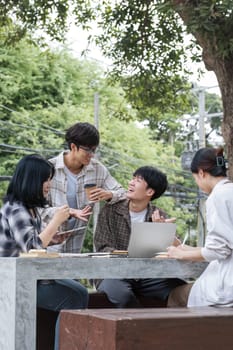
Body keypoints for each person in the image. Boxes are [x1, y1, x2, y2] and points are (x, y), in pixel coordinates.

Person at [0, 154, 89, 349]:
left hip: (31, 277)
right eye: (45, 180)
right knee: (73, 298)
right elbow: (32, 248)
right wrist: (57, 220)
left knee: (81, 291)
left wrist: (53, 238)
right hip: (16, 282)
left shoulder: (30, 209)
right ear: (32, 181)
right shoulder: (16, 209)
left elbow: (29, 244)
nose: (48, 184)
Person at [94, 166, 186, 308]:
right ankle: (143, 328)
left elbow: (178, 247)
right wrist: (129, 256)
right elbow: (102, 247)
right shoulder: (110, 211)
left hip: (147, 275)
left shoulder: (158, 215)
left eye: (138, 180)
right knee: (122, 294)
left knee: (180, 288)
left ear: (150, 191)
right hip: (113, 273)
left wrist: (163, 231)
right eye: (133, 179)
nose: (131, 183)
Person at [41, 121, 126, 253]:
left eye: (94, 150)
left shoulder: (98, 169)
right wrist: (66, 212)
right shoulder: (48, 168)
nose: (92, 154)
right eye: (88, 150)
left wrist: (109, 194)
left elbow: (123, 193)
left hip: (76, 242)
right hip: (47, 241)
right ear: (73, 147)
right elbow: (37, 208)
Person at [167, 147, 233, 307]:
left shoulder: (218, 197)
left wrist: (180, 254)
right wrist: (183, 248)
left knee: (175, 296)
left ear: (201, 172)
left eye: (195, 178)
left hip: (228, 283)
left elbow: (218, 250)